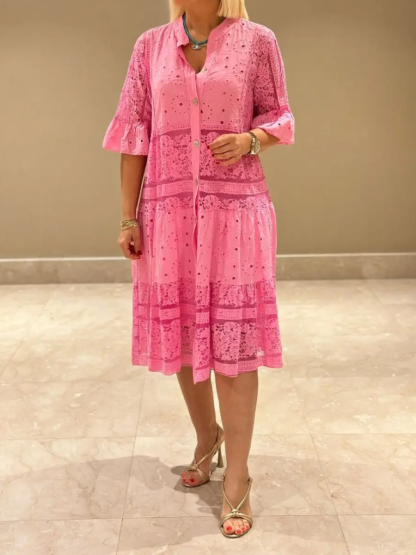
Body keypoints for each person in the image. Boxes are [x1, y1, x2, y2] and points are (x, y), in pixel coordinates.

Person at [103, 0, 294, 538]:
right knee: (185, 336)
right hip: (166, 212)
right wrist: (128, 216)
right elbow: (134, 134)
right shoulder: (149, 46)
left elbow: (280, 116)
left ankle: (237, 477)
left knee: (235, 344)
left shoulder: (258, 40)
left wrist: (252, 140)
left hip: (236, 211)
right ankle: (207, 438)